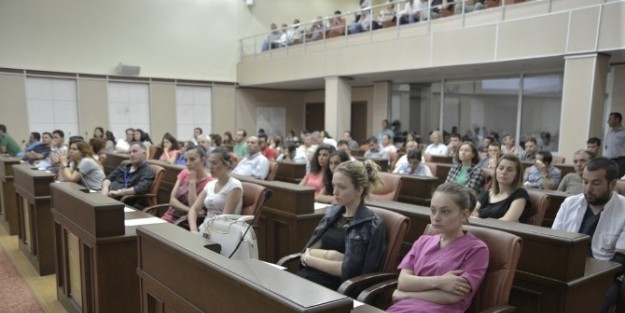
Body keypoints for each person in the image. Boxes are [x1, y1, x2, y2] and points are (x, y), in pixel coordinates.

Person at [387, 183, 489, 313]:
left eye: (445, 211)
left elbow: (453, 296)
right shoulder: (422, 241)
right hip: (401, 309)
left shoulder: (477, 249)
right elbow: (403, 282)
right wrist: (440, 282)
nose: (436, 218)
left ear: (464, 215)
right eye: (433, 210)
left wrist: (407, 294)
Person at [296, 160, 387, 292]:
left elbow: (348, 270)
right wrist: (332, 256)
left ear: (359, 190)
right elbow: (307, 251)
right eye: (334, 186)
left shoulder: (372, 225)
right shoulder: (332, 214)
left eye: (342, 187)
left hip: (338, 288)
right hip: (309, 276)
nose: (335, 192)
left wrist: (309, 260)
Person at [552, 157, 625, 313]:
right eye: (585, 182)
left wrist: (585, 279)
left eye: (596, 183)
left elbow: (620, 263)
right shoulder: (569, 203)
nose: (588, 189)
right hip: (567, 272)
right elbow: (554, 243)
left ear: (612, 184)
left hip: (605, 278)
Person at [188, 148, 243, 234]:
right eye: (209, 163)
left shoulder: (234, 186)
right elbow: (194, 209)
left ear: (226, 165)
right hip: (206, 230)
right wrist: (193, 230)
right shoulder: (210, 184)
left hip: (224, 232)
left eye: (214, 163)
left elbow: (225, 218)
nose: (210, 167)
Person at [161, 145, 212, 224]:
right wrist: (189, 210)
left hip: (188, 221)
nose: (188, 163)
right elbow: (172, 200)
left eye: (192, 159)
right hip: (170, 216)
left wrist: (192, 182)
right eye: (186, 160)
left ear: (203, 160)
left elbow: (195, 207)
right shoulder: (184, 173)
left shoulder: (210, 182)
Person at [474, 154, 531, 223]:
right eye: (501, 168)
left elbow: (506, 222)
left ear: (517, 175)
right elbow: (469, 213)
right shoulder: (487, 193)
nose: (504, 172)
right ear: (496, 171)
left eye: (509, 170)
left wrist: (478, 219)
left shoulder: (520, 194)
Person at [604, 112, 625, 177]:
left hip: (620, 161)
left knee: (617, 178)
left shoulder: (623, 133)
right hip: (609, 161)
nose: (608, 121)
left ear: (617, 119)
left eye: (610, 119)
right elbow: (606, 147)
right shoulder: (609, 133)